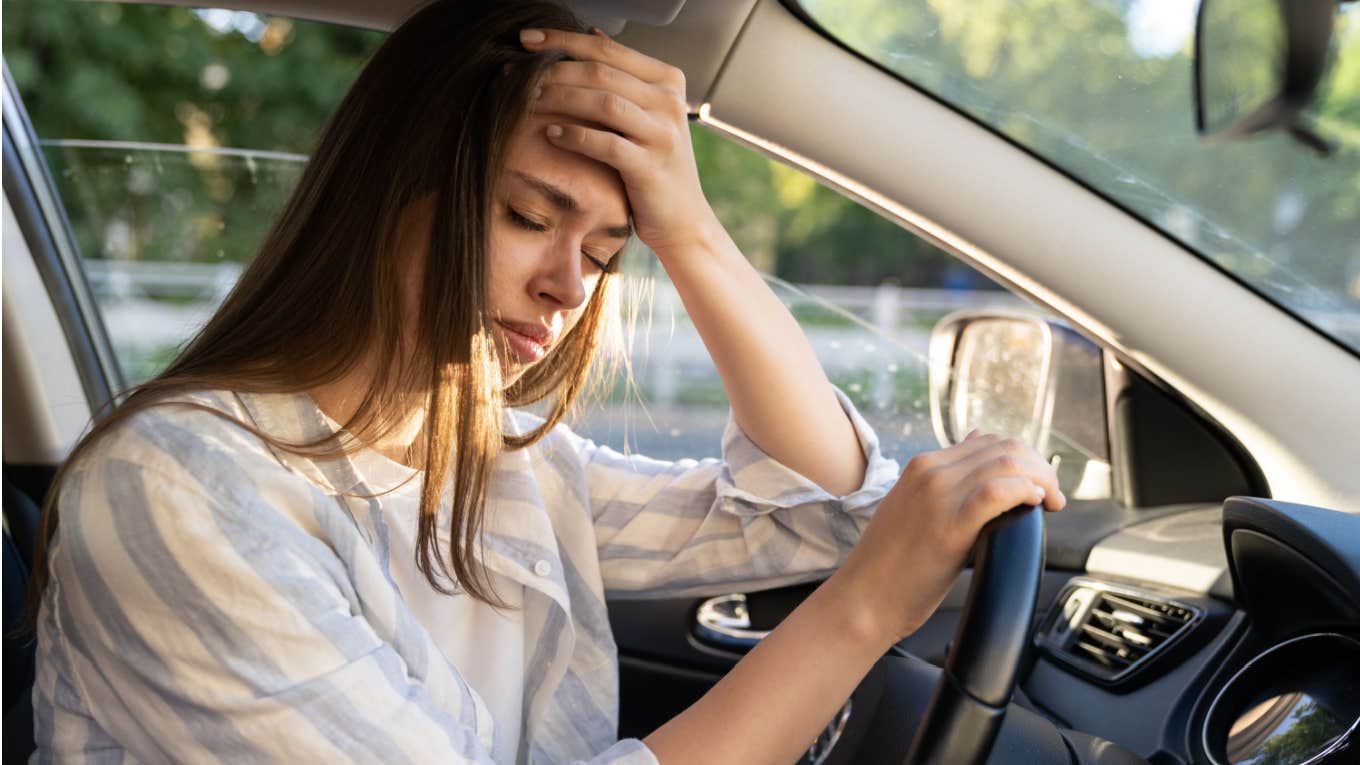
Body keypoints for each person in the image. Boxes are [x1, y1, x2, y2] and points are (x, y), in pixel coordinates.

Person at [25, 1, 1066, 763]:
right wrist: (857, 618)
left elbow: (821, 511)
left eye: (608, 252)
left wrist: (692, 232)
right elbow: (856, 562)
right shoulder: (177, 490)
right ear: (391, 191)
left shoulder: (490, 453)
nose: (567, 284)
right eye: (528, 217)